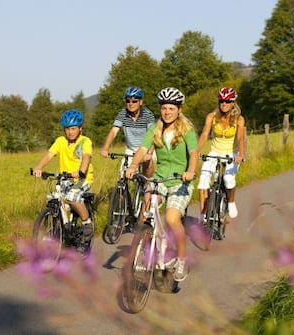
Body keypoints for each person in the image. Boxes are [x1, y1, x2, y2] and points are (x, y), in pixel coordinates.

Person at [126, 87, 198, 282]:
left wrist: (190, 171)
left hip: (179, 182)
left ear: (179, 110)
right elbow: (143, 149)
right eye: (164, 108)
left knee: (172, 219)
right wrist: (133, 164)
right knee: (146, 211)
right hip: (159, 179)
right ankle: (146, 244)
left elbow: (193, 153)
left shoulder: (187, 130)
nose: (167, 112)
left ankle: (182, 260)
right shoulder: (154, 129)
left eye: (171, 108)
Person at [33, 109, 95, 248]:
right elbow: (49, 155)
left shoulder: (85, 141)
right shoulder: (60, 141)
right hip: (65, 178)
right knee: (54, 198)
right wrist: (39, 167)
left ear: (80, 128)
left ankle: (86, 223)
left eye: (73, 128)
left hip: (82, 178)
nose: (70, 132)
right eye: (67, 129)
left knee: (72, 197)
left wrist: (81, 171)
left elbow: (86, 157)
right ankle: (59, 228)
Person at [197, 87, 246, 221]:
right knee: (203, 181)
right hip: (214, 152)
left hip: (231, 153)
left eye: (227, 101)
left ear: (233, 103)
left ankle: (230, 201)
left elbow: (241, 138)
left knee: (228, 179)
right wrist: (196, 150)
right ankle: (203, 214)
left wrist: (241, 154)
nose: (223, 104)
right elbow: (205, 134)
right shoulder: (212, 116)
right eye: (221, 101)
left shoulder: (239, 119)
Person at [100, 86, 156, 176]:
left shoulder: (148, 115)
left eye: (134, 101)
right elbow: (114, 131)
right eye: (128, 101)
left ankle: (148, 187)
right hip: (131, 149)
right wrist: (106, 148)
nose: (131, 103)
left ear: (140, 102)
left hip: (146, 148)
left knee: (147, 169)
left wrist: (149, 153)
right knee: (123, 176)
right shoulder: (123, 113)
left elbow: (154, 135)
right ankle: (123, 190)